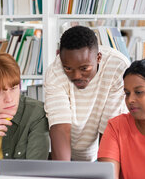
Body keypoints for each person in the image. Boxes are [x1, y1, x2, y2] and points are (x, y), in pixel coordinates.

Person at [44, 25, 130, 161]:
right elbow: (60, 127)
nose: (76, 75)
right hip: (66, 152)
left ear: (98, 58)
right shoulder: (54, 72)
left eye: (84, 68)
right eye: (68, 68)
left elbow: (110, 129)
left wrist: (103, 175)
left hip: (100, 150)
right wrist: (61, 177)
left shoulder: (118, 67)